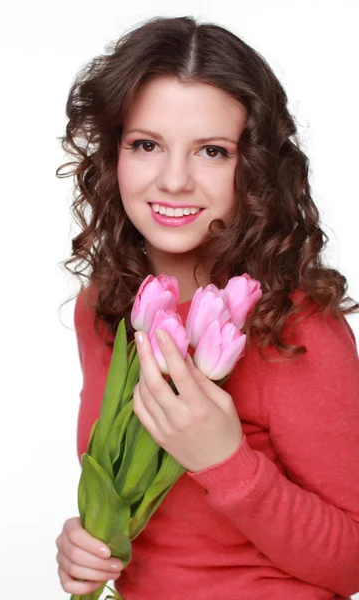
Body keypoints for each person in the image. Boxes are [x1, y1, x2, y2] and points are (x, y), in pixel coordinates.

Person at [54, 15, 359, 600]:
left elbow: (353, 563)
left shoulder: (293, 323)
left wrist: (224, 459)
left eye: (212, 152)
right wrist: (91, 542)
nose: (174, 180)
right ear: (113, 154)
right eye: (146, 145)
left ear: (254, 168)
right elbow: (160, 524)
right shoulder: (105, 310)